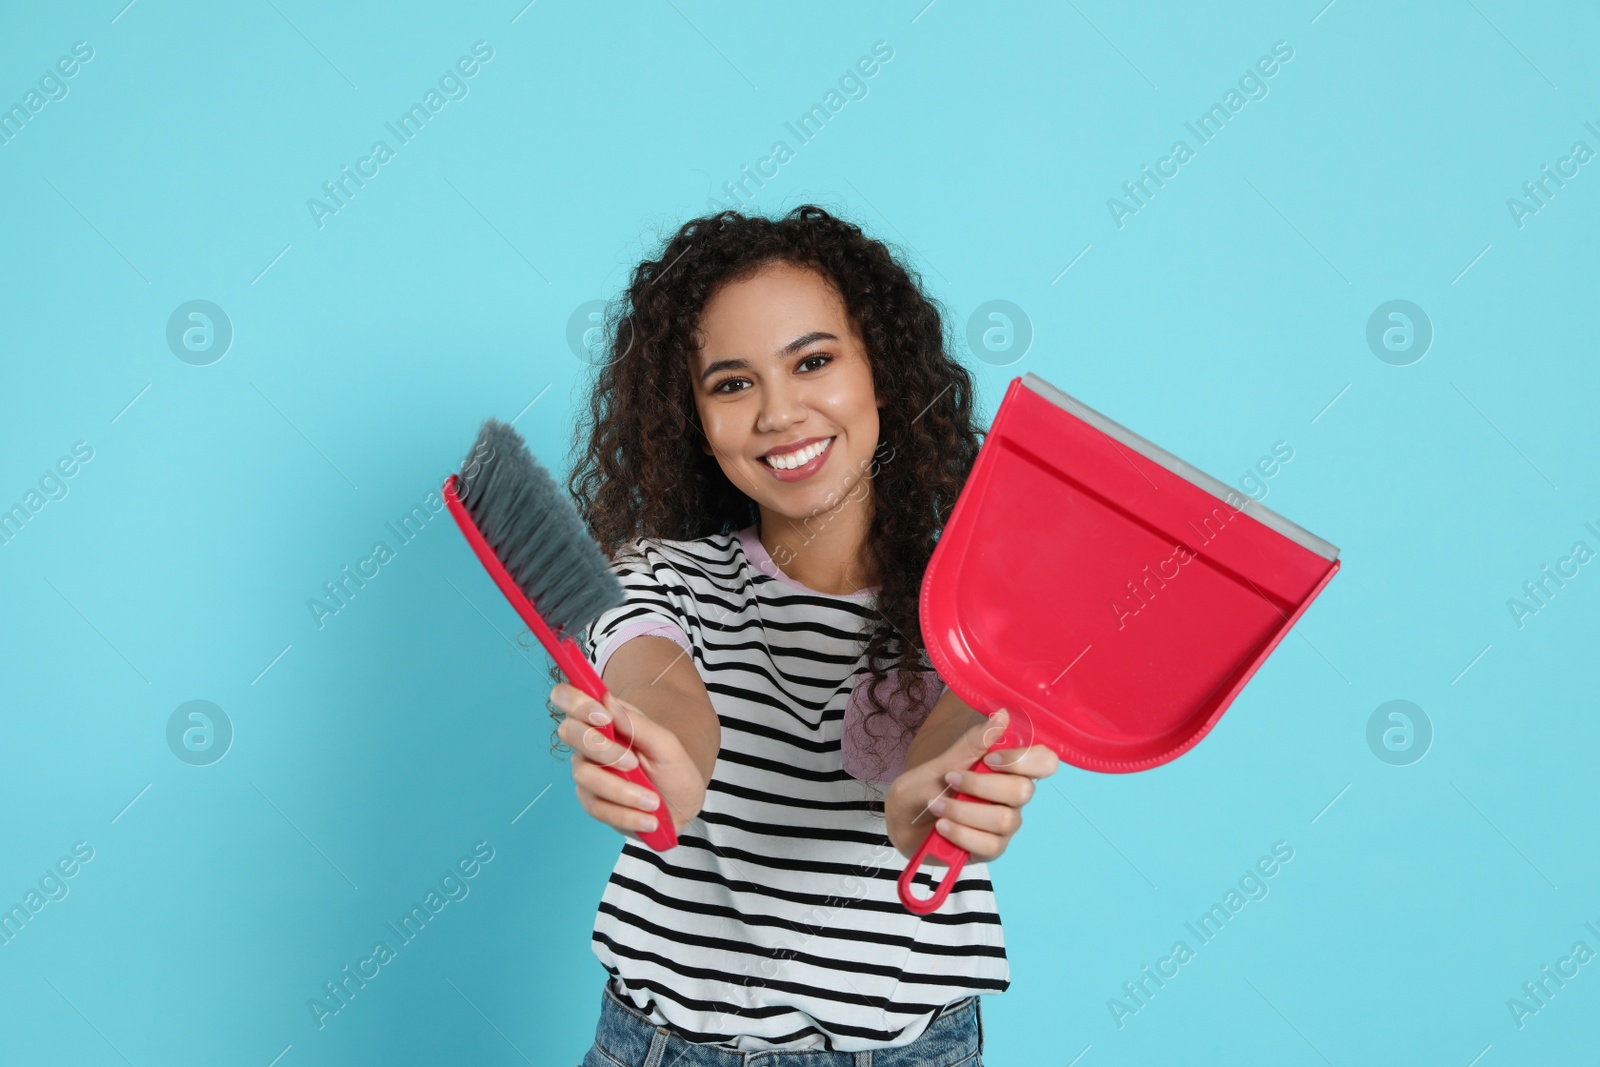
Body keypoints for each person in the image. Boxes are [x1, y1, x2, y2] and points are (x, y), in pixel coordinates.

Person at [547, 205, 1059, 1067]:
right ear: (694, 421)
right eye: (732, 383)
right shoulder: (660, 575)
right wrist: (656, 756)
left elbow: (949, 739)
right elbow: (655, 678)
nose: (779, 413)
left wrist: (937, 798)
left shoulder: (977, 601)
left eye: (813, 361)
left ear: (882, 375)